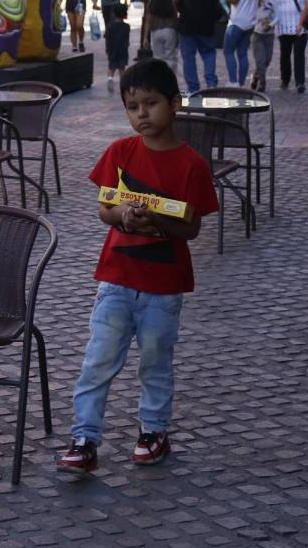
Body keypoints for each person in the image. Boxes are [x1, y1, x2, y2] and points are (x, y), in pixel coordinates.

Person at [55, 58, 219, 474]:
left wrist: (158, 221)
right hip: (115, 279)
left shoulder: (192, 165)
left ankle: (154, 431)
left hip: (164, 287)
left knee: (155, 360)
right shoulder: (119, 152)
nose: (142, 114)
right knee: (98, 361)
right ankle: (84, 437)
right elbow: (104, 209)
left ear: (174, 104)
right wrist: (123, 215)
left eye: (151, 103)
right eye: (132, 106)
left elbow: (193, 227)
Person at [173, 0, 224, 94]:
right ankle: (211, 83)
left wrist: (180, 10)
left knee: (188, 57)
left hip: (187, 23)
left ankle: (194, 88)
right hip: (207, 23)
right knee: (209, 54)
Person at [269, 0, 308, 93]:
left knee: (299, 54)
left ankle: (300, 82)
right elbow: (269, 3)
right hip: (283, 25)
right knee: (284, 55)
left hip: (301, 25)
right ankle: (285, 79)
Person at [221, 0, 258, 86]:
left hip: (237, 22)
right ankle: (241, 82)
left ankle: (233, 81)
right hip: (250, 22)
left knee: (228, 51)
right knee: (242, 53)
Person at [142, 0, 179, 76]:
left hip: (156, 31)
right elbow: (175, 18)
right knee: (170, 57)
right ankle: (170, 77)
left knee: (158, 57)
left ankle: (159, 78)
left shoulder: (151, 3)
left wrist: (145, 37)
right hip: (170, 30)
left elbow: (148, 21)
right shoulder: (171, 3)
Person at [249, 0, 276, 93]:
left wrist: (271, 24)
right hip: (257, 34)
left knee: (267, 59)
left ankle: (255, 76)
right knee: (260, 60)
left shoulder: (272, 0)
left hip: (269, 34)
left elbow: (277, 15)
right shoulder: (253, 1)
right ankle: (262, 82)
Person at [105, 4, 130, 93]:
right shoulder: (127, 26)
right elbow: (126, 39)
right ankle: (122, 85)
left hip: (112, 50)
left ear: (114, 14)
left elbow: (107, 38)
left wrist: (108, 49)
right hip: (122, 50)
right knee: (122, 69)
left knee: (111, 67)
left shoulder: (110, 26)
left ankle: (110, 78)